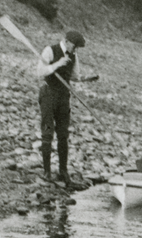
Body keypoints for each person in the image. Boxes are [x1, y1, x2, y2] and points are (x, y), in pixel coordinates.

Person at [36, 29, 97, 186]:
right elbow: (40, 71)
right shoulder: (50, 50)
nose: (75, 50)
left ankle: (63, 171)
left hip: (64, 96)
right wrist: (57, 64)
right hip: (48, 93)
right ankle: (47, 172)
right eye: (74, 46)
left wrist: (86, 79)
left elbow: (74, 76)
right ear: (67, 41)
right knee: (47, 133)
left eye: (77, 48)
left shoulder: (74, 56)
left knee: (63, 135)